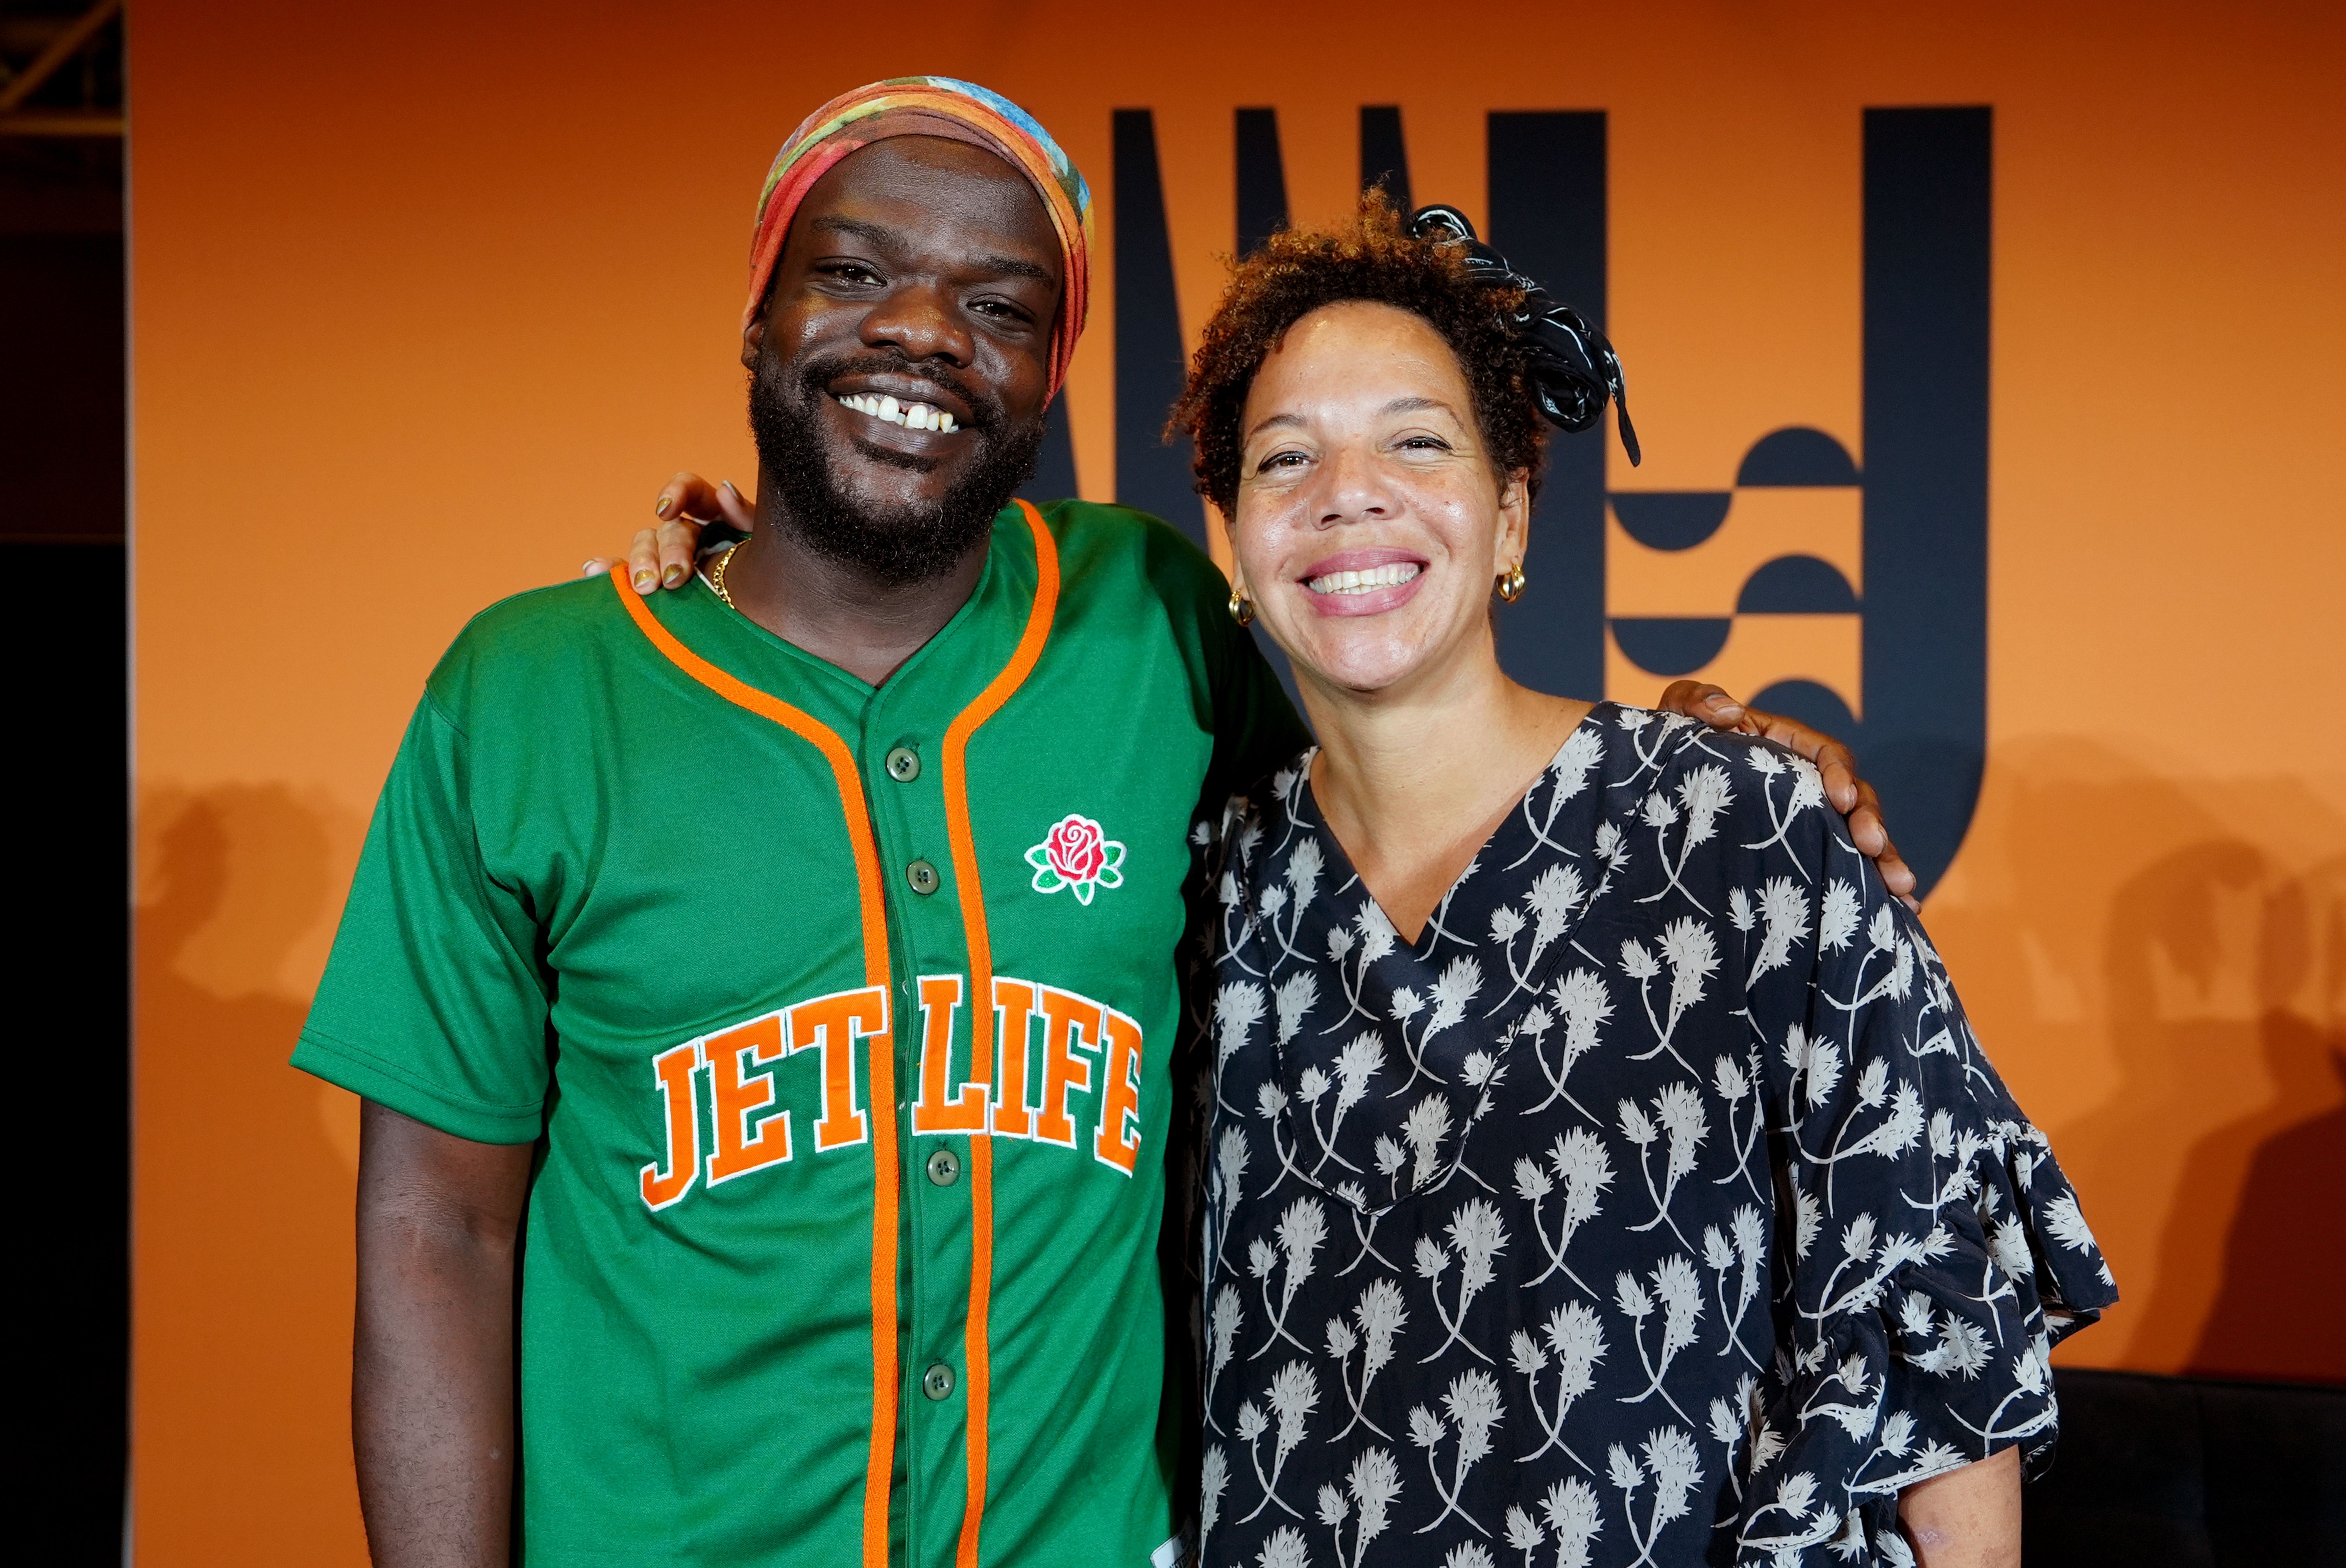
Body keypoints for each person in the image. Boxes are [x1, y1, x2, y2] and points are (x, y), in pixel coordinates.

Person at [1169, 199, 2115, 1568]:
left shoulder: (1741, 828)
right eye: (1284, 457)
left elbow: (1932, 1317)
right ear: (1236, 545)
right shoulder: (1213, 885)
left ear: (1509, 517)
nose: (1348, 490)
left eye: (1416, 441)